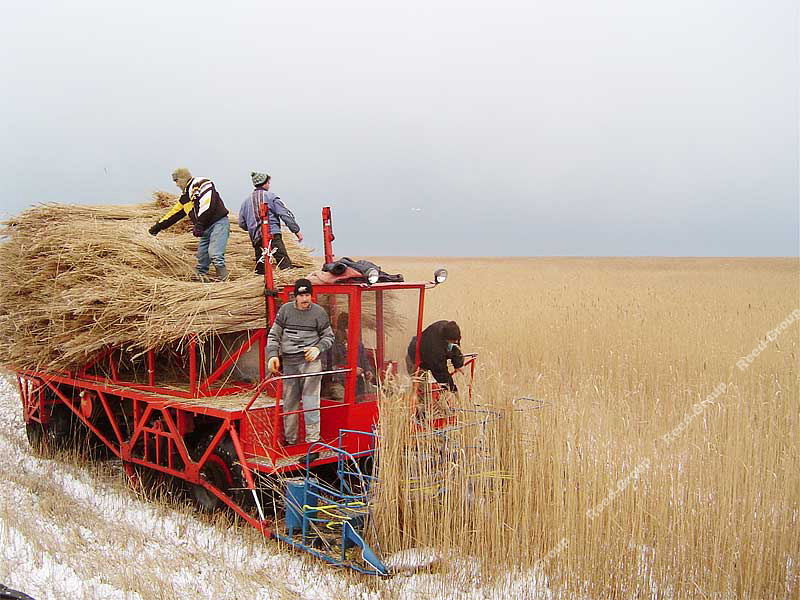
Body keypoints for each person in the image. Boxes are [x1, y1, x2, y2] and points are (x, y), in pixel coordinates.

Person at [266, 278, 334, 452]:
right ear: (295, 296)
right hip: (289, 363)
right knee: (289, 403)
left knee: (311, 402)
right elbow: (274, 335)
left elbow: (329, 337)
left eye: (308, 294)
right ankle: (290, 442)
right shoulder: (285, 311)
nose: (305, 299)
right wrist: (273, 355)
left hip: (311, 364)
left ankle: (313, 444)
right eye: (302, 295)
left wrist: (318, 348)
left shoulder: (319, 313)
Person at [149, 168, 230, 281]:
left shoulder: (202, 183)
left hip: (218, 223)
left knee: (215, 255)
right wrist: (157, 227)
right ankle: (201, 286)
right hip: (205, 228)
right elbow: (173, 214)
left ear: (182, 178)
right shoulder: (185, 197)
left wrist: (200, 223)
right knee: (201, 259)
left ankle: (225, 283)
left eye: (176, 181)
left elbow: (207, 203)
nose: (176, 185)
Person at [238, 171, 303, 273]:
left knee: (261, 267)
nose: (269, 185)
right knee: (283, 261)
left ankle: (263, 286)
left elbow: (241, 223)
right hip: (272, 235)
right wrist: (296, 231)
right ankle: (288, 283)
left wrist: (252, 227)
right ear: (264, 183)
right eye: (268, 182)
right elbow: (284, 214)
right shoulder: (271, 197)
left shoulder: (246, 202)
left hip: (256, 238)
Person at [406, 320, 465, 392]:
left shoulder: (450, 329)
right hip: (416, 359)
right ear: (445, 339)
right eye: (453, 341)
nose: (456, 342)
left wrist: (458, 364)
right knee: (424, 393)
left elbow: (454, 347)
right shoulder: (435, 348)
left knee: (435, 390)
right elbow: (440, 373)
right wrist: (452, 388)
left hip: (429, 357)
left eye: (457, 340)